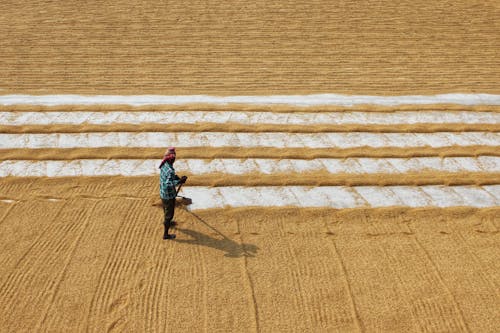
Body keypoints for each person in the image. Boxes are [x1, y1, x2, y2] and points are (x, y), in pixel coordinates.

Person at [159, 147, 187, 240]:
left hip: (163, 193)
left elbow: (168, 177)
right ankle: (166, 234)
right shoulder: (170, 170)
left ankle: (167, 221)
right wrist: (179, 182)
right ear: (172, 159)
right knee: (169, 214)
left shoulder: (164, 164)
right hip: (168, 195)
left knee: (166, 209)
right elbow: (168, 184)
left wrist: (177, 178)